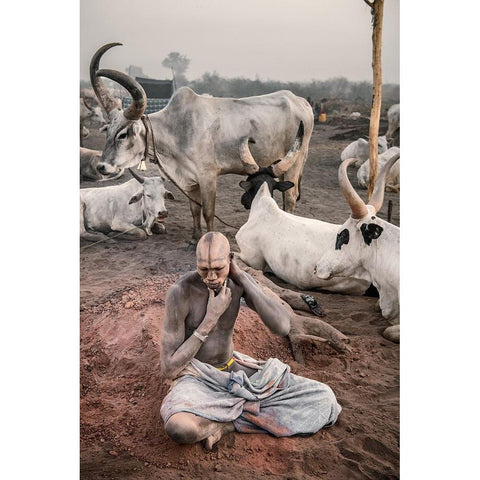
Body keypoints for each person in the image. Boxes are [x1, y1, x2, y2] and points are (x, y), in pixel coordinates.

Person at [160, 232, 341, 450]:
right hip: (198, 378)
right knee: (179, 428)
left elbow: (282, 326)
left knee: (324, 398)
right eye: (203, 269)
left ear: (230, 260)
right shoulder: (180, 292)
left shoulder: (237, 284)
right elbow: (169, 368)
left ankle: (225, 423)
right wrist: (210, 319)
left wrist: (243, 277)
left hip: (235, 372)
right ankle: (245, 413)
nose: (211, 277)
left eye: (218, 269)